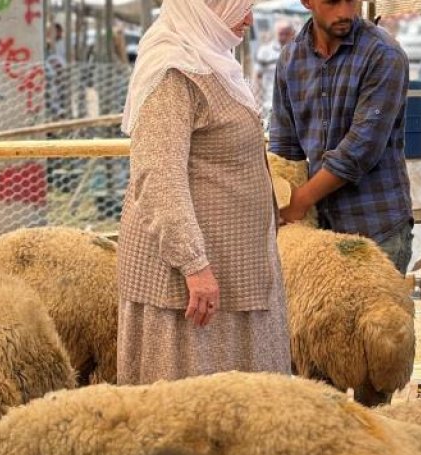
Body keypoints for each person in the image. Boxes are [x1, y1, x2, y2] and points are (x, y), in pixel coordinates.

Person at [116, 0, 291, 384]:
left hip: (234, 271)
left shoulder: (214, 64)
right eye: (240, 7)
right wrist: (194, 265)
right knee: (191, 412)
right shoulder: (174, 72)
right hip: (188, 284)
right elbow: (158, 176)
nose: (248, 19)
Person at [270, 0, 414, 274]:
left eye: (353, 0)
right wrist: (283, 200)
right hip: (316, 233)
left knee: (378, 316)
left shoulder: (383, 54)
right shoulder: (291, 59)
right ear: (307, 2)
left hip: (376, 229)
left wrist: (299, 202)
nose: (345, 12)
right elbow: (285, 146)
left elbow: (360, 149)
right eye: (333, 1)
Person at [253, 19, 295, 120]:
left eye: (286, 34)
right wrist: (257, 103)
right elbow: (256, 77)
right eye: (281, 34)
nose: (283, 37)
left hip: (294, 107)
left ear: (292, 34)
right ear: (276, 33)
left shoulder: (299, 52)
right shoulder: (265, 52)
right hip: (271, 105)